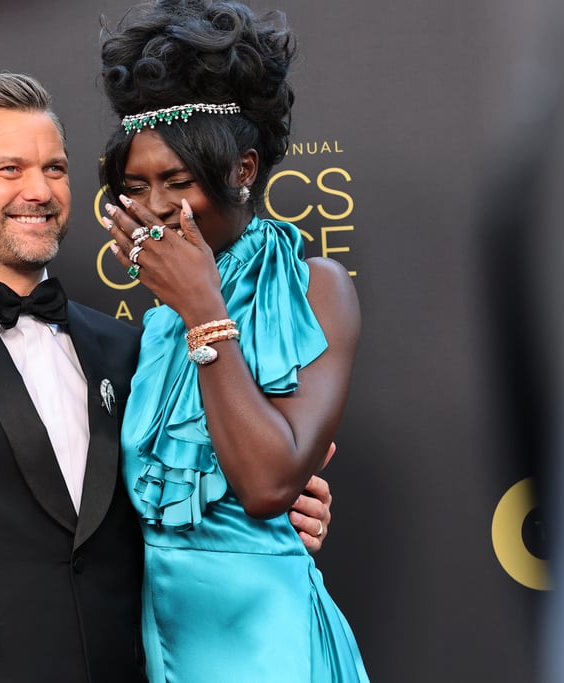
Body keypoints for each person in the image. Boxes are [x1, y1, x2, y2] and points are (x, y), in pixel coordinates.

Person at [0, 71, 332, 683]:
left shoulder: (132, 346)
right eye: (9, 170)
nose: (39, 191)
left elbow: (191, 492)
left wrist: (283, 512)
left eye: (55, 169)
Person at [97, 2, 368, 680]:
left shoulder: (315, 288)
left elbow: (269, 481)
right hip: (168, 646)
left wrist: (201, 307)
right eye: (136, 187)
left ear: (243, 169)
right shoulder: (153, 328)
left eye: (177, 182)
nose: (155, 207)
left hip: (271, 647)